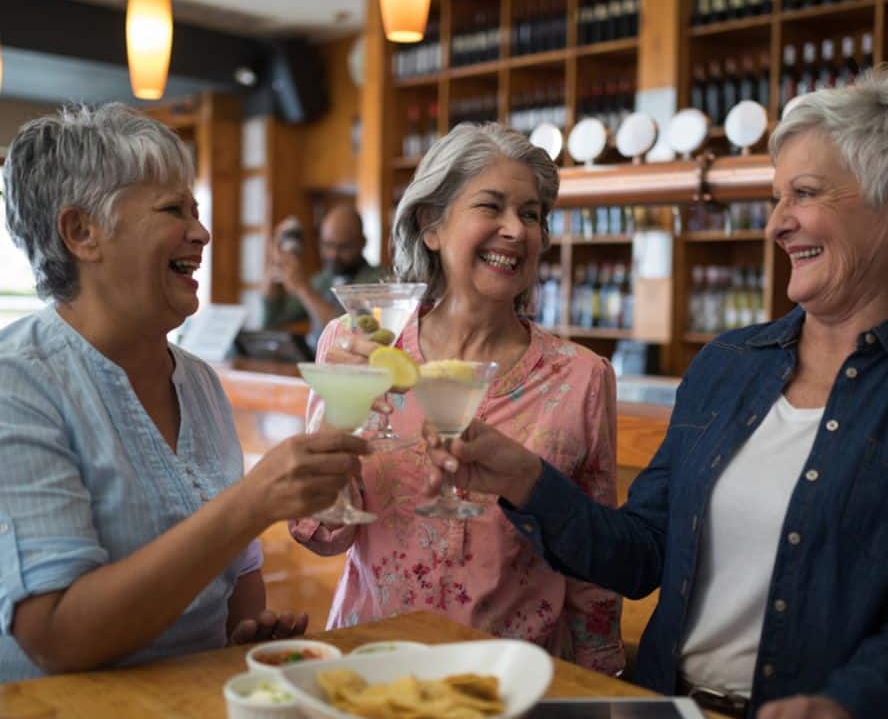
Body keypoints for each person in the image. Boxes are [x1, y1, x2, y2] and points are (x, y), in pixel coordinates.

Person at [425, 66, 888, 719]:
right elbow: (639, 554)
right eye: (775, 196)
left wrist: (847, 709)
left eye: (805, 194)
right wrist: (525, 479)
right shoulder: (730, 364)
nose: (777, 222)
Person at [0, 104, 369, 682]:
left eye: (195, 210)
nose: (202, 232)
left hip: (196, 710)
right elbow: (56, 636)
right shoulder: (17, 381)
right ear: (81, 232)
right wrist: (252, 502)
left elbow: (236, 581)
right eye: (173, 209)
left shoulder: (196, 382)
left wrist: (241, 641)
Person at [289, 123, 625, 676]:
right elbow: (321, 534)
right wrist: (336, 418)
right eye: (491, 207)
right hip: (369, 668)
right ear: (431, 226)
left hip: (510, 684)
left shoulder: (583, 378)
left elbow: (594, 567)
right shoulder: (356, 345)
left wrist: (601, 687)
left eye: (532, 214)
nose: (516, 230)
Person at [261, 205, 386, 344]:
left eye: (343, 247)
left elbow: (351, 331)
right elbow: (274, 318)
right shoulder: (323, 280)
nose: (333, 254)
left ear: (363, 243)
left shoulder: (378, 281)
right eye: (328, 245)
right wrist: (275, 263)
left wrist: (303, 288)